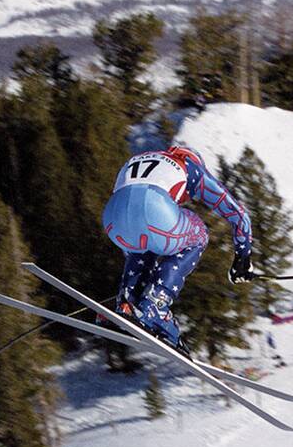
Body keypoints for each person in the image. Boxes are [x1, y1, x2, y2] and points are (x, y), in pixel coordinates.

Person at [101, 145, 253, 349]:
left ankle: (128, 301)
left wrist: (139, 281)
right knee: (198, 235)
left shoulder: (139, 159)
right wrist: (242, 260)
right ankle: (157, 304)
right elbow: (238, 215)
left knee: (143, 246)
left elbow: (132, 215)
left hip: (113, 220)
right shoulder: (191, 167)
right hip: (154, 209)